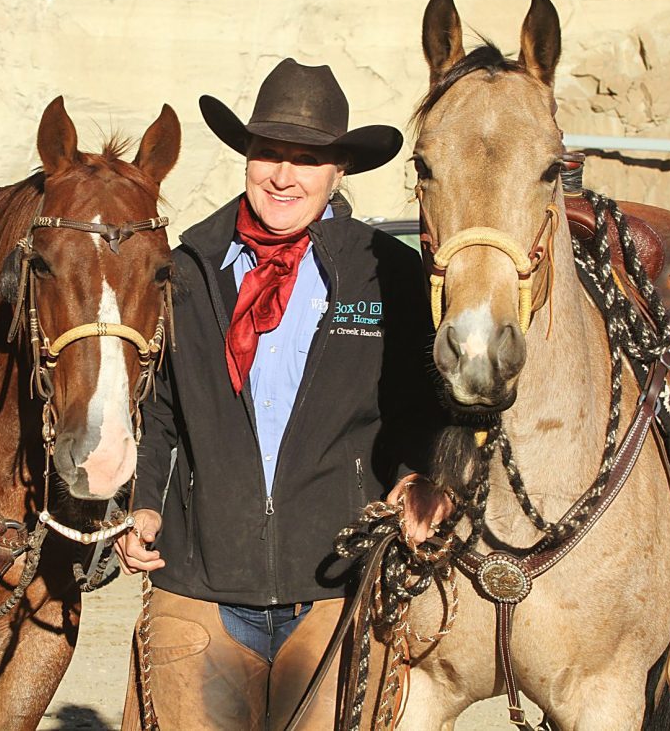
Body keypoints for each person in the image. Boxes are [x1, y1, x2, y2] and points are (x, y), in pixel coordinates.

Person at [116, 58, 450, 730]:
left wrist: (416, 477)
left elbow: (421, 408)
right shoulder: (188, 268)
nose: (284, 175)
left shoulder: (385, 272)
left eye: (308, 158)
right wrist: (144, 502)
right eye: (269, 153)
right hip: (200, 583)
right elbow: (161, 409)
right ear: (247, 158)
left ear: (339, 172)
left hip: (337, 587)